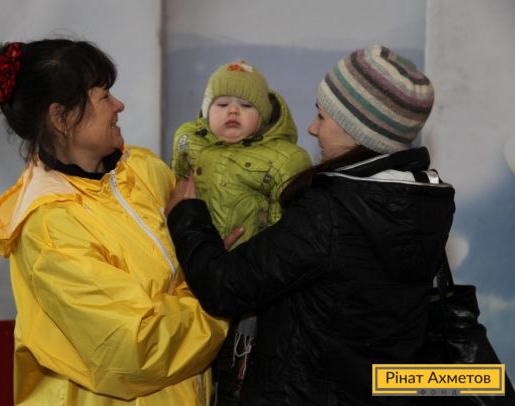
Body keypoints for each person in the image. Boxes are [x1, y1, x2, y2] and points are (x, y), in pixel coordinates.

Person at [166, 45, 456, 405]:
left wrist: (187, 214)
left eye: (322, 116)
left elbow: (224, 287)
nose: (312, 128)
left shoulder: (333, 211)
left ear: (357, 131)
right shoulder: (423, 199)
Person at [0, 38, 228, 405]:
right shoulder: (50, 226)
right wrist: (222, 293)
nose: (119, 105)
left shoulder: (143, 169)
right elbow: (136, 349)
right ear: (61, 118)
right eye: (104, 96)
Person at [170, 60, 311, 404]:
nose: (233, 111)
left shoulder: (282, 159)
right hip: (191, 263)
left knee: (239, 355)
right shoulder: (188, 141)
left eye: (246, 105)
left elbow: (284, 225)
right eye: (222, 104)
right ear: (206, 111)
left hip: (245, 273)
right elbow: (177, 187)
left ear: (264, 116)